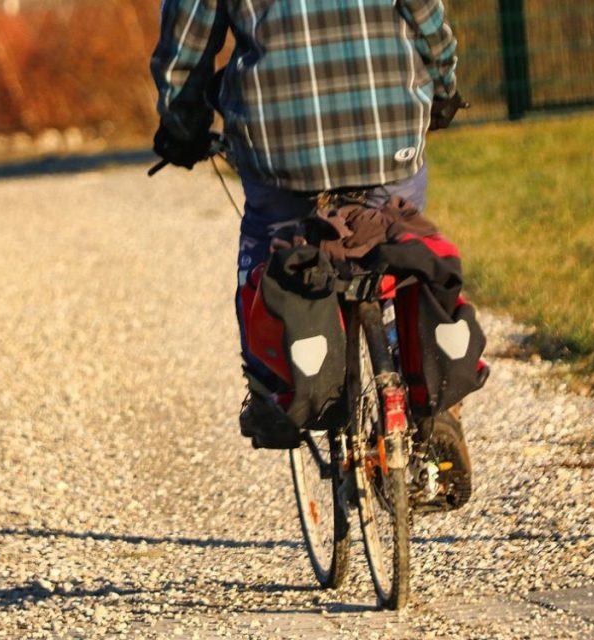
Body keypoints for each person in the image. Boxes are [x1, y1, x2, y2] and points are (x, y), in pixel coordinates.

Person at [150, 0, 473, 507]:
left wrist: (181, 126)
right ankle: (430, 406)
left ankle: (274, 389)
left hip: (279, 146)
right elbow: (427, 15)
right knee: (396, 245)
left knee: (268, 244)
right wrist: (444, 88)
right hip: (388, 130)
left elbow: (187, 46)